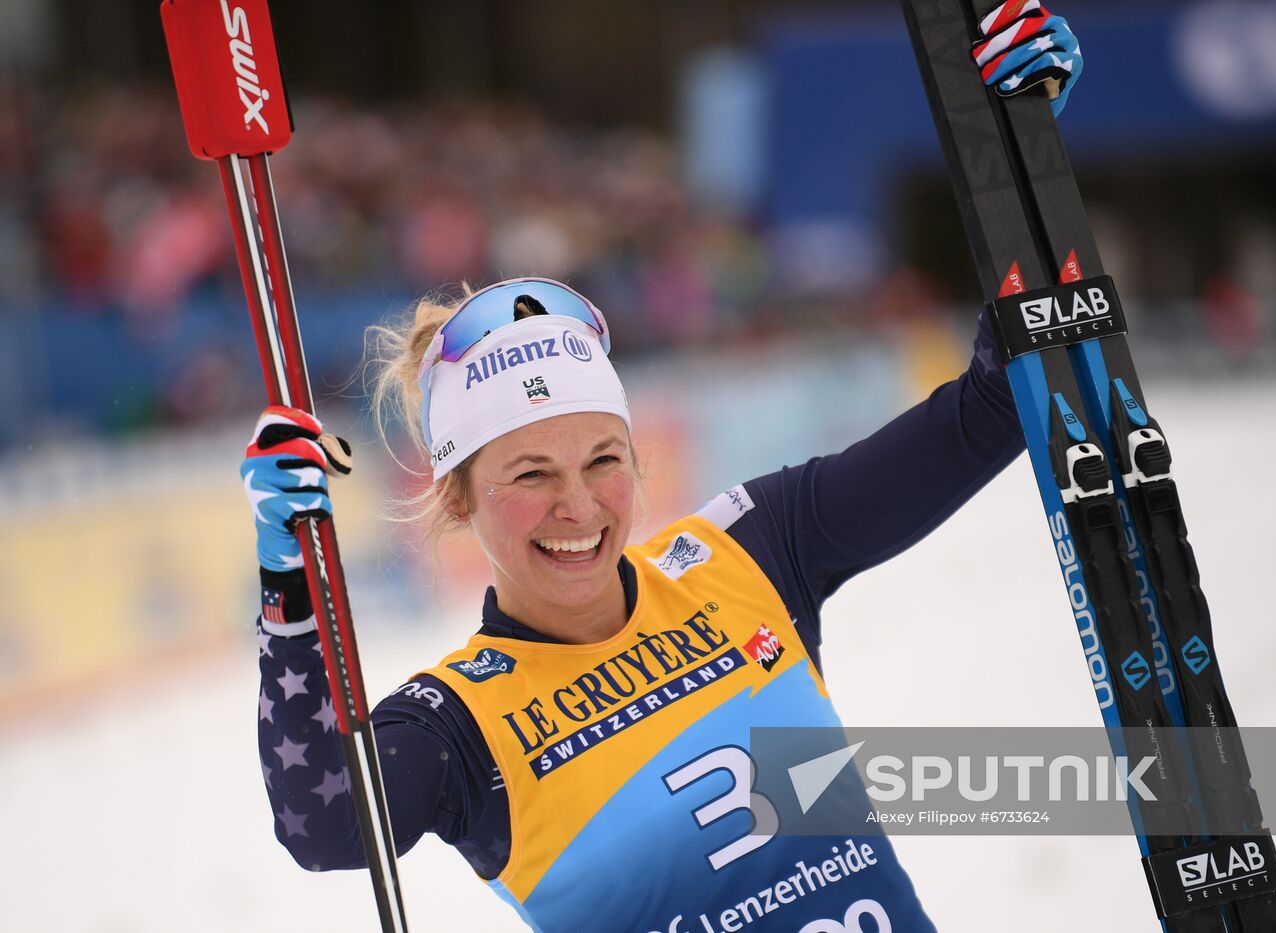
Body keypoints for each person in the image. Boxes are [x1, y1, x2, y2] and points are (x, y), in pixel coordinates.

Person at [243, 5, 1082, 930]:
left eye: (603, 458)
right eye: (528, 473)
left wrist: (1019, 158)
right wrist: (289, 585)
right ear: (458, 496)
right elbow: (322, 823)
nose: (577, 506)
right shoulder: (459, 725)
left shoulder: (747, 555)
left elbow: (997, 404)